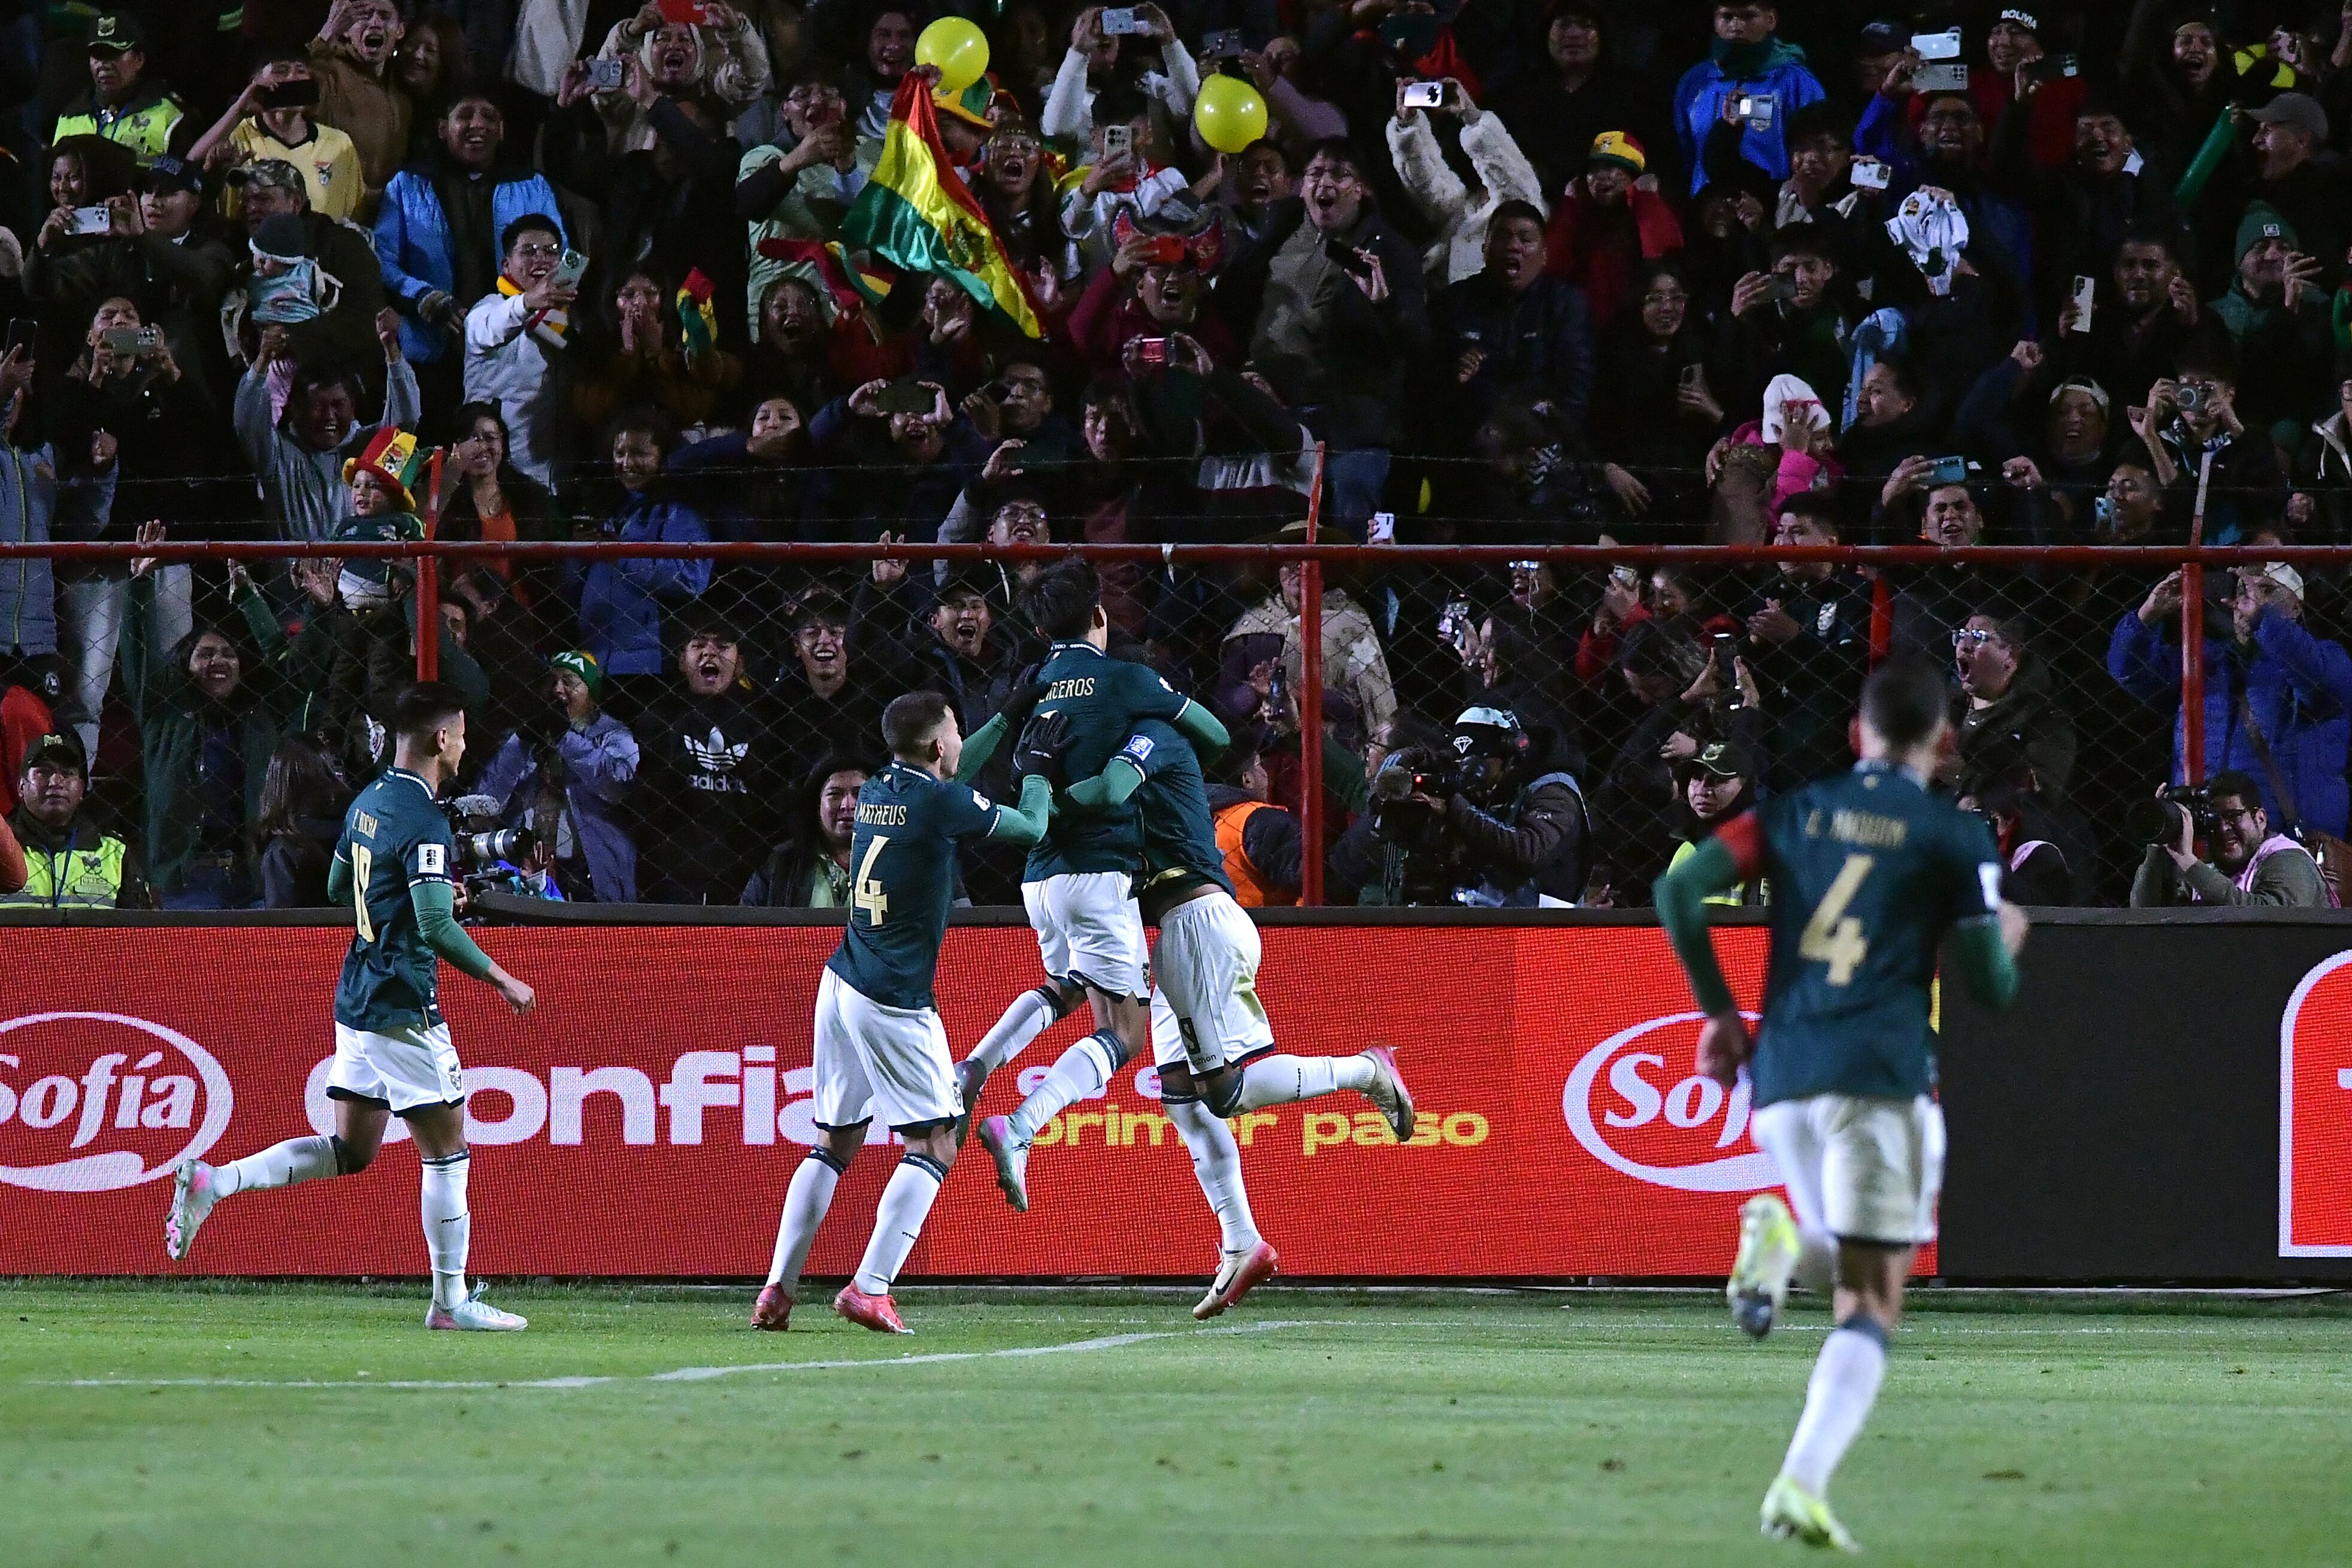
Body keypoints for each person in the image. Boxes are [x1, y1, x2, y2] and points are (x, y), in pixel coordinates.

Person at [1654, 658, 2027, 1551]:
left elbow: (1677, 890)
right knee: (1873, 1299)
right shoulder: (1953, 834)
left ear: (1855, 733)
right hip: (1881, 1073)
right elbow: (1989, 987)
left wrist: (1718, 1013)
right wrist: (2008, 935)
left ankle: (1797, 1472)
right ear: (1942, 742)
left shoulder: (1793, 811)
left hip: (1782, 1077)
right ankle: (1798, 1473)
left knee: (1853, 1275)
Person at [165, 683, 538, 1333]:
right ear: (441, 738)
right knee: (447, 1150)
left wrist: (412, 889)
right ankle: (450, 1303)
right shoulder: (422, 817)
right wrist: (503, 978)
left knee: (352, 1148)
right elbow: (433, 925)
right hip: (402, 1000)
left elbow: (343, 883)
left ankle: (216, 1182)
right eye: (462, 733)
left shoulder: (368, 801)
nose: (465, 743)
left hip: (357, 995)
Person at [749, 691, 1054, 1334]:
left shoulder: (886, 784)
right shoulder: (939, 800)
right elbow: (1031, 829)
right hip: (891, 995)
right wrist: (1038, 771)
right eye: (955, 732)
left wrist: (1005, 716)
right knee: (937, 1142)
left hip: (840, 980)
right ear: (940, 746)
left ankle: (777, 1288)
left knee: (833, 1141)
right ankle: (870, 1286)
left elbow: (953, 774)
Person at [967, 558, 1230, 1213]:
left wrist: (1011, 714)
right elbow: (1219, 737)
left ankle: (973, 1067)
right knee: (1127, 1031)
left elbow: (960, 767)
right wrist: (1161, 721)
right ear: (1101, 615)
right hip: (1100, 870)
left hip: (1037, 878)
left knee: (1065, 985)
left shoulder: (1032, 681)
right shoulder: (1129, 679)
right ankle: (1020, 1126)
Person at [2129, 768, 2327, 909]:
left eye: (2234, 817)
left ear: (2260, 819)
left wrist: (2190, 864)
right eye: (2214, 819)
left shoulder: (2288, 859)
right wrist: (2157, 847)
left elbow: (2270, 921)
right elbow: (2146, 914)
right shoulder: (2210, 869)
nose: (2223, 828)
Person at [0, 732, 152, 907]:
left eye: (67, 773)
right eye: (43, 772)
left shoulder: (114, 852)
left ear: (81, 789)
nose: (55, 781)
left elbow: (143, 931)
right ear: (21, 786)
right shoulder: (3, 846)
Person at [740, 755, 868, 907]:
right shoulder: (782, 865)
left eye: (860, 794)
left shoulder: (895, 861)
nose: (848, 805)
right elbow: (746, 927)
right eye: (835, 794)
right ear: (817, 805)